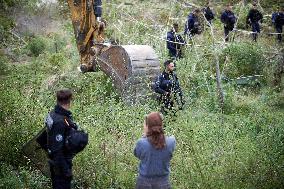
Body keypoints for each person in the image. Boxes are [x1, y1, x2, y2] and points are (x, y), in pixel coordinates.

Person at [45, 89, 78, 189]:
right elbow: (57, 149)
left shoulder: (52, 114)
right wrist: (66, 171)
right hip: (60, 165)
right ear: (70, 101)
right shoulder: (60, 121)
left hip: (54, 162)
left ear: (57, 100)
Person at [134, 112, 176, 189]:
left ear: (147, 126)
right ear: (161, 125)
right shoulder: (171, 142)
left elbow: (137, 154)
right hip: (163, 183)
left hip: (144, 183)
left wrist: (145, 135)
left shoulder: (141, 143)